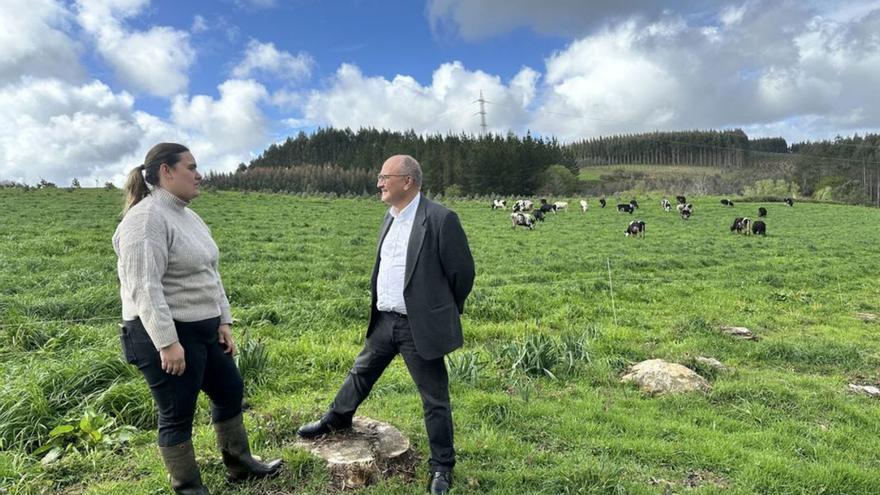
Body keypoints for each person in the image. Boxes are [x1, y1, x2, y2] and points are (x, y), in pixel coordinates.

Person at [297, 155, 475, 495]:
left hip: (418, 325)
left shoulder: (440, 219)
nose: (379, 182)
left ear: (406, 181)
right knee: (360, 372)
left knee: (434, 398)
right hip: (385, 319)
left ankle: (442, 467)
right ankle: (336, 419)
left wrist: (439, 310)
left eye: (384, 176)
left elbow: (462, 273)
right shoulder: (389, 217)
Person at [113, 143, 281, 494]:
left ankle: (240, 465)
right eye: (191, 167)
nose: (199, 174)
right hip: (163, 334)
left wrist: (224, 320)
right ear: (166, 172)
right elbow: (145, 288)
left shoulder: (189, 216)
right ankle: (189, 488)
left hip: (204, 329)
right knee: (177, 413)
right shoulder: (145, 220)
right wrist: (167, 342)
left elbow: (210, 273)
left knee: (230, 390)